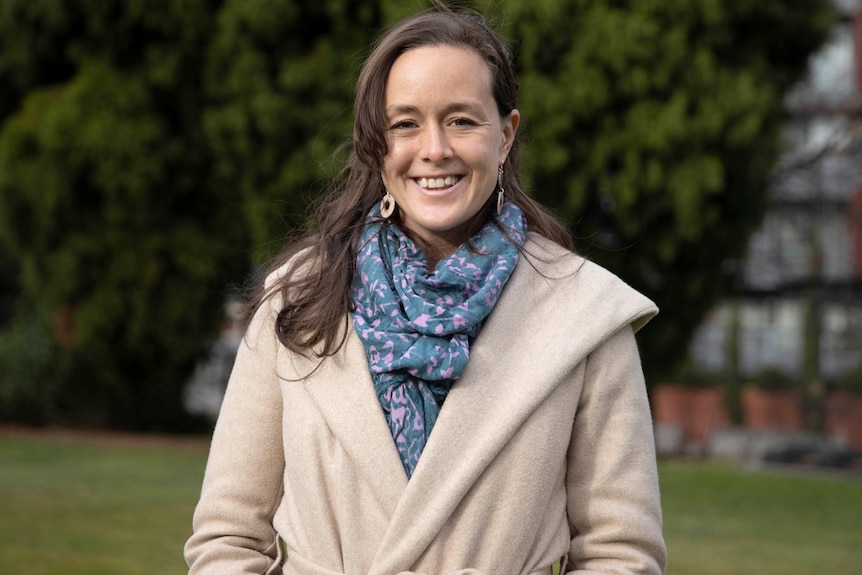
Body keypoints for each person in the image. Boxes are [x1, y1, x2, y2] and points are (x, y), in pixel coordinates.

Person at [184, 4, 667, 575]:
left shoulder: (586, 315)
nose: (433, 149)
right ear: (375, 143)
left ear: (506, 135)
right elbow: (227, 539)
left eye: (462, 120)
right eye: (405, 123)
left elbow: (621, 553)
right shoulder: (298, 303)